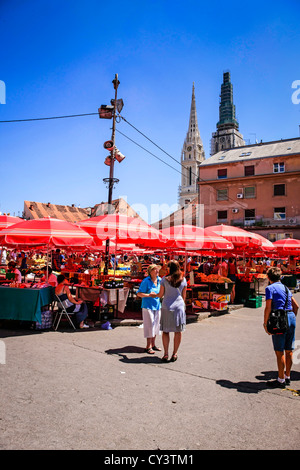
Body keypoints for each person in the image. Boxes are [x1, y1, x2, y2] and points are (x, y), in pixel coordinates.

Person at [263, 267, 298, 388]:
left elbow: (268, 307)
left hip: (279, 319)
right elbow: (296, 306)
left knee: (279, 351)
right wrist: (291, 318)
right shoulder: (287, 289)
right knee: (289, 350)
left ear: (268, 277)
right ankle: (288, 376)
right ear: (280, 277)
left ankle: (281, 379)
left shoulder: (270, 288)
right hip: (291, 317)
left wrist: (265, 323)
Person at [152, 260, 187, 363]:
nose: (166, 268)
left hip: (167, 306)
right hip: (179, 307)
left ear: (170, 268)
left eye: (167, 267)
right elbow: (184, 297)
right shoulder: (183, 279)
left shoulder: (164, 279)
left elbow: (160, 295)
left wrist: (153, 294)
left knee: (166, 331)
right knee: (178, 332)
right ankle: (174, 353)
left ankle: (166, 353)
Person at [137, 264, 162, 354]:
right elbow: (139, 294)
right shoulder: (146, 281)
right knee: (149, 325)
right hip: (147, 306)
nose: (157, 271)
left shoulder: (160, 280)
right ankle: (148, 346)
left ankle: (153, 344)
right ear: (150, 272)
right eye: (155, 270)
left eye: (158, 269)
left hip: (157, 305)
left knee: (156, 325)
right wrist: (149, 295)